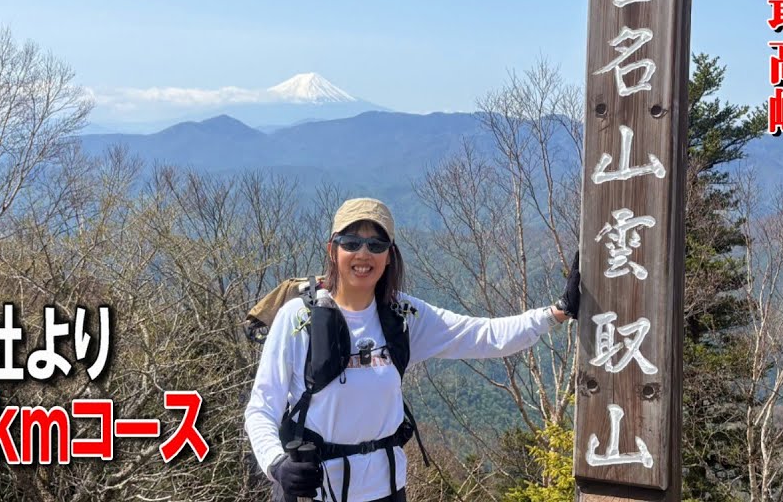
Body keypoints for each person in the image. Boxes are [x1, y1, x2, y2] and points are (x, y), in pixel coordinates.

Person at [244, 197, 580, 502]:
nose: (363, 253)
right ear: (333, 250)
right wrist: (277, 464)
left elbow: (485, 335)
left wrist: (556, 312)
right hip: (312, 492)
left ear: (389, 255)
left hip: (386, 491)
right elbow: (261, 407)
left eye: (376, 244)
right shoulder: (298, 318)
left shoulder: (403, 316)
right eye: (351, 242)